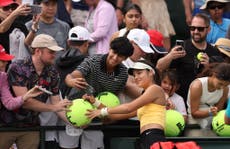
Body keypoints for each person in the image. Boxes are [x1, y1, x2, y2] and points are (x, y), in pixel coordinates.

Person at [1, 34, 72, 149]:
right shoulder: (18, 67)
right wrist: (54, 108)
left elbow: (56, 103)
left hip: (31, 126)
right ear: (38, 51)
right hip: (7, 125)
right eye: (51, 52)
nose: (54, 55)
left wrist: (73, 122)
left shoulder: (53, 72)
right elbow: (25, 101)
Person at [65, 36, 134, 149]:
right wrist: (72, 80)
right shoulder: (93, 60)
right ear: (109, 48)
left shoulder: (123, 74)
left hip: (97, 118)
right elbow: (74, 75)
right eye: (114, 52)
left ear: (125, 58)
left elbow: (113, 100)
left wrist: (105, 116)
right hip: (74, 111)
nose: (115, 57)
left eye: (120, 56)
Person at [84, 60, 166, 149]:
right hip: (145, 138)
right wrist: (95, 102)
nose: (136, 77)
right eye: (134, 75)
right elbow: (115, 116)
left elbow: (128, 108)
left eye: (139, 73)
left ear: (150, 72)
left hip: (154, 137)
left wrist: (102, 111)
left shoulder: (155, 89)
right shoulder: (146, 100)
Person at [156, 13, 222, 102]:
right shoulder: (182, 48)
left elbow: (221, 80)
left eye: (200, 29)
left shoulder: (214, 51)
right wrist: (170, 56)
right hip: (182, 99)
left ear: (208, 29)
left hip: (205, 101)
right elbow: (159, 67)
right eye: (192, 28)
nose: (195, 31)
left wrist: (208, 66)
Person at [56, 26, 92, 149]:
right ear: (87, 44)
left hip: (64, 114)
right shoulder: (91, 62)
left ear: (68, 42)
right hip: (90, 116)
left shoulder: (55, 61)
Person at [186, 62, 230, 137]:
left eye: (225, 85)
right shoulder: (197, 86)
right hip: (194, 123)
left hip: (213, 123)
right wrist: (210, 112)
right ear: (213, 75)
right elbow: (194, 113)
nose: (222, 87)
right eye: (220, 84)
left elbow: (219, 109)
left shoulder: (225, 88)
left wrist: (214, 112)